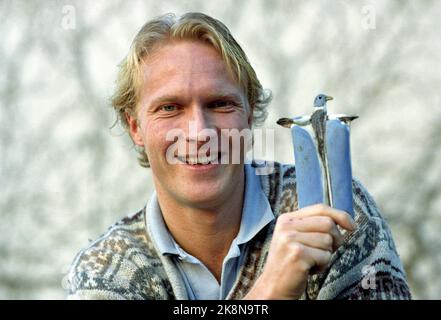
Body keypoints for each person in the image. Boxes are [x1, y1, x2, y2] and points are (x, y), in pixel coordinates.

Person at [66, 12, 411, 300]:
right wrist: (269, 292)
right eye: (170, 108)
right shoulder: (104, 272)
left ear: (249, 115)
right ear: (135, 127)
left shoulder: (331, 210)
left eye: (220, 104)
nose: (199, 132)